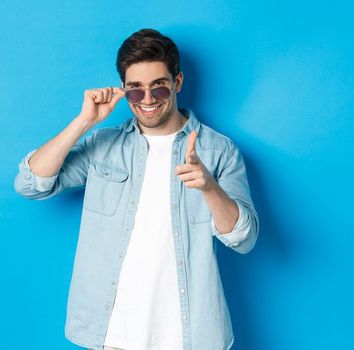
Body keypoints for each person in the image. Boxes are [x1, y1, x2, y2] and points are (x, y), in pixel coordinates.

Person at [13, 28, 259, 350]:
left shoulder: (218, 151)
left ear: (178, 83)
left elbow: (245, 239)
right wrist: (84, 122)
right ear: (124, 91)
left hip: (188, 335)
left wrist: (209, 187)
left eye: (158, 89)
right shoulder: (104, 145)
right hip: (111, 332)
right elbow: (31, 184)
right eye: (135, 91)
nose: (147, 101)